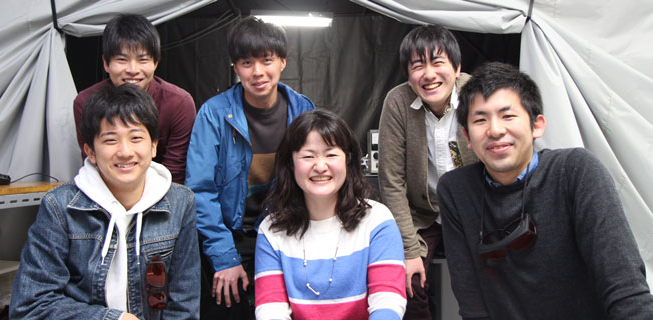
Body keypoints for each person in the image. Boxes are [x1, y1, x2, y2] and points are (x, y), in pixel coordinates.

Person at [438, 62, 653, 319]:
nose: (495, 130)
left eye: (508, 116)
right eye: (480, 120)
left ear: (537, 125)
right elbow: (472, 304)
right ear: (467, 137)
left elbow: (625, 289)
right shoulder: (456, 190)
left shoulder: (576, 172)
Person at [10, 84, 200, 320]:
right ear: (90, 151)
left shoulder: (180, 203)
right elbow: (30, 305)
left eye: (136, 138)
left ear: (153, 146)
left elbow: (183, 306)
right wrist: (112, 318)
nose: (125, 151)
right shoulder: (60, 207)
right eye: (110, 140)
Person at [186, 16, 315, 319]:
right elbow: (200, 191)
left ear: (282, 61)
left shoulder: (303, 110)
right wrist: (224, 257)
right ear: (235, 67)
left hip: (287, 233)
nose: (257, 72)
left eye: (266, 60)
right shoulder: (214, 114)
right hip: (232, 236)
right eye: (246, 62)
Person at [254, 109, 406, 319]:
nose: (320, 166)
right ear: (290, 163)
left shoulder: (378, 221)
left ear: (348, 160)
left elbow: (388, 302)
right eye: (308, 156)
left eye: (331, 154)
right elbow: (271, 311)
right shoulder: (271, 230)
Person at [377, 24, 478, 319]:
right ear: (409, 75)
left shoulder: (477, 95)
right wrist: (409, 249)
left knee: (484, 277)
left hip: (473, 209)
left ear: (457, 68)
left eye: (438, 62)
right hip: (423, 214)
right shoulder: (397, 102)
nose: (429, 74)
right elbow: (391, 181)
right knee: (408, 281)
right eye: (418, 65)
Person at [73, 13, 196, 184]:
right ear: (106, 63)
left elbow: (175, 170)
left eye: (143, 59)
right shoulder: (85, 102)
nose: (132, 69)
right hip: (105, 191)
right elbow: (94, 161)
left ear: (156, 63)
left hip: (163, 192)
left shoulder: (178, 103)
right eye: (122, 60)